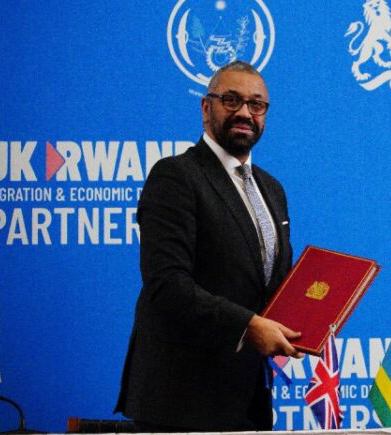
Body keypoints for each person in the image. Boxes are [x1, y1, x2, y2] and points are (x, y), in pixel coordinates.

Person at [115, 61, 303, 431]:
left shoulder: (272, 189)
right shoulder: (176, 176)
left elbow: (271, 284)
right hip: (181, 399)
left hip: (248, 396)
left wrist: (311, 317)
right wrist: (248, 326)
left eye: (256, 104)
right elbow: (167, 285)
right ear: (206, 107)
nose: (244, 113)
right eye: (231, 100)